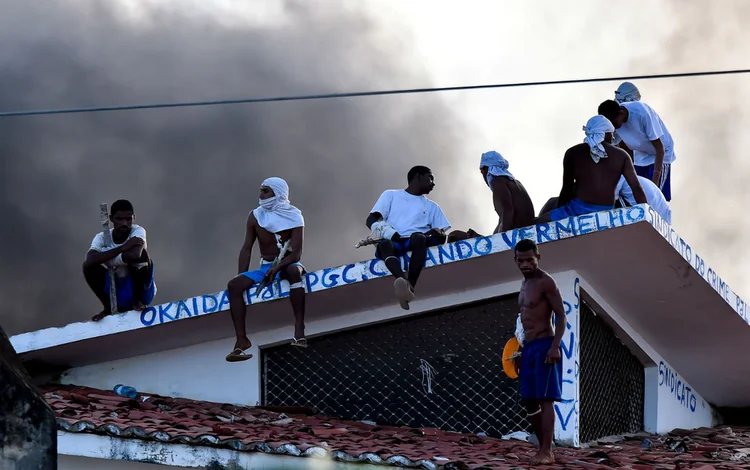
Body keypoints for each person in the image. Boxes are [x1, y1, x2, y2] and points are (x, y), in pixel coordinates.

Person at [225, 177, 306, 362]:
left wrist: (278, 267)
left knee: (295, 273)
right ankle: (241, 341)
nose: (261, 195)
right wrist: (242, 275)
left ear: (278, 193)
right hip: (265, 266)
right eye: (261, 191)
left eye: (265, 191)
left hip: (287, 264)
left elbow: (297, 253)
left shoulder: (294, 216)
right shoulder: (255, 216)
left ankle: (299, 331)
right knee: (234, 286)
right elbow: (247, 248)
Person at [366, 166, 451, 310]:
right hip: (396, 240)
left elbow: (442, 236)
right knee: (384, 246)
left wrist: (438, 233)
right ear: (417, 176)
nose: (433, 183)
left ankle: (409, 285)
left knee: (418, 238)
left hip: (418, 240)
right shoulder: (391, 195)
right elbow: (371, 220)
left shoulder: (433, 207)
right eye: (430, 177)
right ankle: (403, 282)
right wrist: (389, 233)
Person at [536, 115, 647, 223]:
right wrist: (646, 213)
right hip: (607, 212)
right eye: (612, 134)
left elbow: (567, 189)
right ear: (605, 134)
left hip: (576, 210)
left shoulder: (572, 152)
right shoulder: (622, 155)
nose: (613, 138)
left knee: (534, 223)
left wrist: (559, 215)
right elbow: (636, 187)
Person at [514, 238, 566, 466]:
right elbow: (524, 319)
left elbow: (562, 316)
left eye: (529, 260)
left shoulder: (547, 282)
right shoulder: (524, 285)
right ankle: (543, 446)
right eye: (521, 260)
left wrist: (555, 346)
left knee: (546, 399)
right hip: (529, 347)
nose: (525, 264)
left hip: (546, 344)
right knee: (529, 399)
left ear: (538, 258)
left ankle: (546, 450)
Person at [83, 199, 156, 322]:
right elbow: (89, 260)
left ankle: (136, 301)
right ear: (111, 219)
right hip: (118, 288)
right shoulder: (102, 238)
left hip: (140, 288)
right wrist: (122, 248)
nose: (125, 223)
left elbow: (134, 255)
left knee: (143, 255)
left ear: (134, 217)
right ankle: (108, 307)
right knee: (87, 268)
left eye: (128, 219)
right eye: (119, 219)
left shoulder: (138, 231)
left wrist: (107, 259)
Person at [598, 99, 675, 201]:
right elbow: (616, 148)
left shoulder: (642, 114)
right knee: (636, 196)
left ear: (621, 113)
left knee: (654, 197)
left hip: (661, 154)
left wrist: (655, 183)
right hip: (640, 154)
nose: (613, 128)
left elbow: (659, 148)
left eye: (614, 123)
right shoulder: (612, 122)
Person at [479, 150, 536, 233]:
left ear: (485, 169)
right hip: (528, 228)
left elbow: (508, 210)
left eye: (482, 172)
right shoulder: (514, 183)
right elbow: (504, 219)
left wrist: (500, 239)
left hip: (519, 233)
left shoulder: (497, 181)